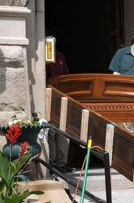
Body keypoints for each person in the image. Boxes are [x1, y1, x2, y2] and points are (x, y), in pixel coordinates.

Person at [46, 32, 76, 174]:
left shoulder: (60, 57)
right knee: (50, 131)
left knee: (63, 132)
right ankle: (51, 163)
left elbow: (67, 77)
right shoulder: (44, 57)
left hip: (62, 99)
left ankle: (61, 163)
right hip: (48, 98)